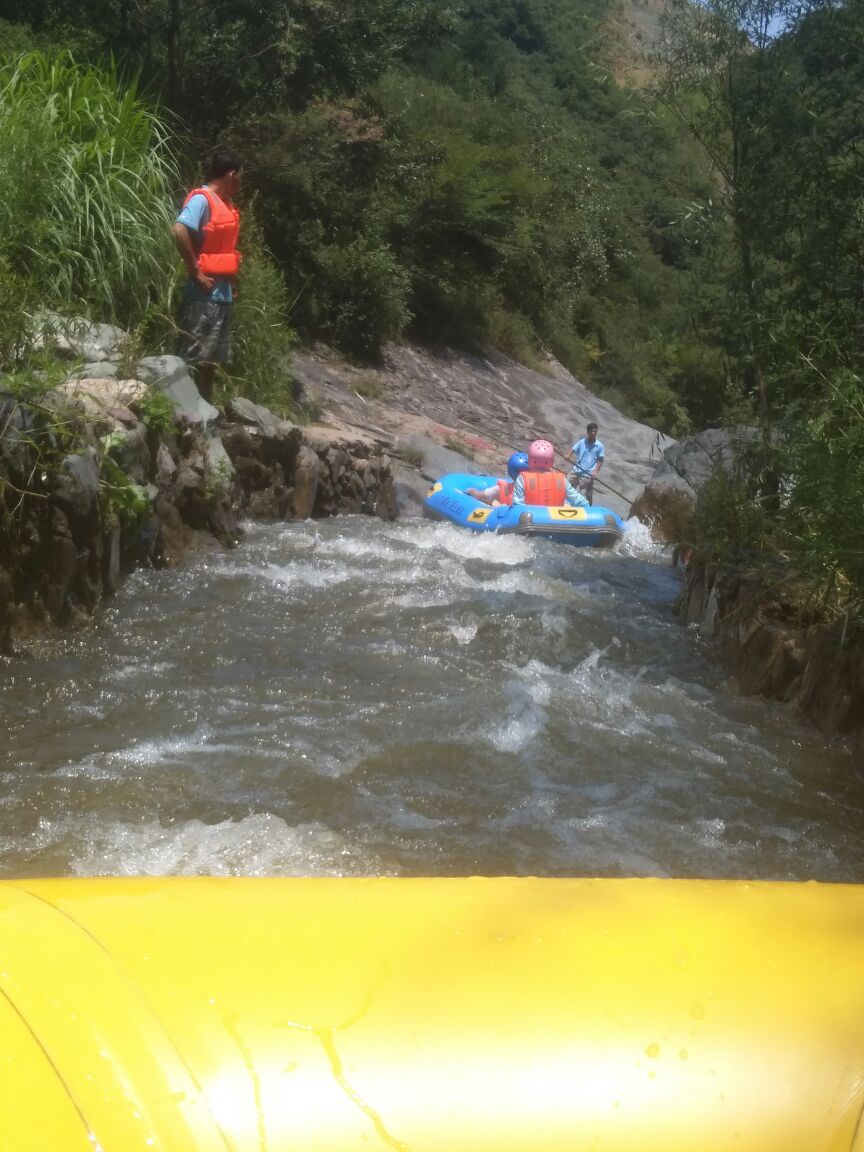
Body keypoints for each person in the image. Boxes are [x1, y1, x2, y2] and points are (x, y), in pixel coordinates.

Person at [172, 150, 243, 403]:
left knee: (210, 361)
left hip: (221, 297)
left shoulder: (226, 205)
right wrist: (196, 271)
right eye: (239, 178)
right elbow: (179, 229)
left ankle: (206, 415)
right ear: (231, 174)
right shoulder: (202, 200)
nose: (239, 184)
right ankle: (182, 412)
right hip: (202, 297)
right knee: (192, 358)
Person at [513, 440, 589, 508]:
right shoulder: (561, 479)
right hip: (555, 522)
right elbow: (577, 500)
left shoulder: (522, 478)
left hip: (531, 521)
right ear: (551, 461)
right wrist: (588, 507)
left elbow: (517, 505)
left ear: (530, 460)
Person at [465, 452, 529, 506]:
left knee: (492, 501)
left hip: (506, 515)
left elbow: (478, 495)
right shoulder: (535, 489)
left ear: (509, 472)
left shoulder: (503, 489)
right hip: (528, 516)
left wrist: (472, 491)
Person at [568, 422, 605, 505]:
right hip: (577, 469)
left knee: (584, 495)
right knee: (567, 486)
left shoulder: (599, 446)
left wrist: (595, 471)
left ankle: (588, 509)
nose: (593, 433)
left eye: (595, 431)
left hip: (588, 473)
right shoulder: (582, 442)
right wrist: (568, 455)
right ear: (588, 432)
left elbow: (600, 460)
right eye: (591, 431)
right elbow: (573, 449)